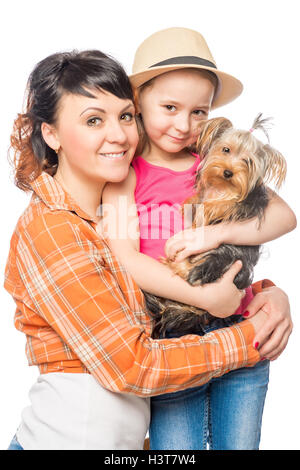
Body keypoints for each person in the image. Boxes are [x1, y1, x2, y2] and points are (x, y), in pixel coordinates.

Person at [4, 48, 280, 451]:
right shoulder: (52, 230)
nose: (117, 134)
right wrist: (249, 337)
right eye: (93, 120)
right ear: (51, 134)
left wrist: (264, 296)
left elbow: (158, 289)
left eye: (125, 116)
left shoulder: (108, 216)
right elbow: (133, 366)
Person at [102, 28, 295, 450]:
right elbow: (124, 258)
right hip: (174, 340)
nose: (184, 124)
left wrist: (215, 232)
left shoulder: (215, 162)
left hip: (243, 332)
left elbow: (284, 216)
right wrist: (207, 299)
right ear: (137, 104)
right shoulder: (124, 175)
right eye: (170, 107)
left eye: (199, 113)